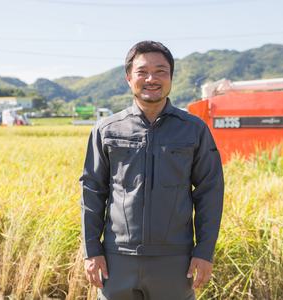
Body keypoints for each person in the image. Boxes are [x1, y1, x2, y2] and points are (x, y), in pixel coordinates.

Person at [79, 41, 224, 300]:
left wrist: (204, 252)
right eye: (142, 71)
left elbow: (210, 192)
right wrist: (92, 250)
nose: (151, 79)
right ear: (128, 77)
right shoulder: (106, 130)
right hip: (116, 260)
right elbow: (92, 191)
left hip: (175, 261)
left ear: (171, 77)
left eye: (160, 71)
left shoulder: (194, 129)